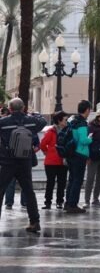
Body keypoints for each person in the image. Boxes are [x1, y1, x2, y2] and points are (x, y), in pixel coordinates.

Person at [0, 98, 46, 232]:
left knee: (1, 189)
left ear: (9, 109)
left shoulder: (3, 122)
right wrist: (32, 114)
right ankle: (35, 222)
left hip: (8, 161)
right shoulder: (32, 121)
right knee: (29, 191)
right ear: (24, 108)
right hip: (25, 161)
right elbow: (42, 121)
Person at [65, 100, 94, 214]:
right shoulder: (82, 123)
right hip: (80, 154)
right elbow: (82, 140)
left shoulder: (72, 121)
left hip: (71, 153)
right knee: (77, 180)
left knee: (71, 179)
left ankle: (68, 203)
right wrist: (90, 138)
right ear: (87, 110)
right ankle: (73, 204)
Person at [39, 111, 68, 210]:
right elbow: (42, 144)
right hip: (52, 162)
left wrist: (47, 151)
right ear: (59, 121)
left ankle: (59, 201)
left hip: (62, 161)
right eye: (65, 119)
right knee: (51, 183)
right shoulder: (51, 131)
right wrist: (47, 152)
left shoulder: (66, 131)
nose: (67, 121)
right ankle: (49, 202)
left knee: (61, 183)